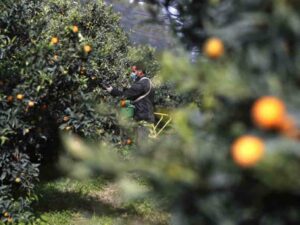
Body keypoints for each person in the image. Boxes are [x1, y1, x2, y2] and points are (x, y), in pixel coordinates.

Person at [106, 66, 155, 147]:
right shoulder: (147, 82)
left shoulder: (142, 84)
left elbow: (126, 95)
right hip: (145, 116)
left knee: (141, 145)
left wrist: (112, 90)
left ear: (140, 71)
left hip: (143, 118)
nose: (132, 74)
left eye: (134, 71)